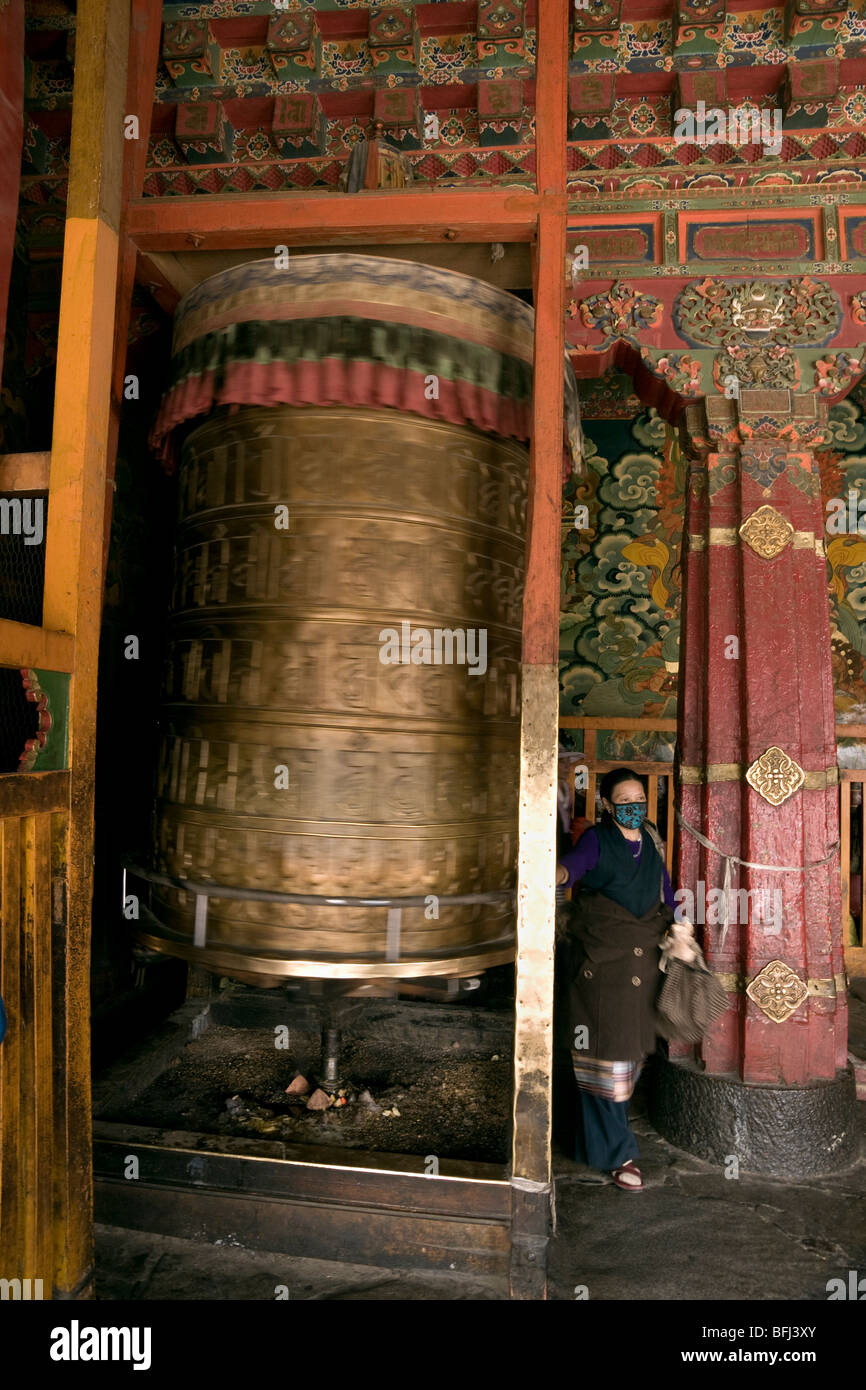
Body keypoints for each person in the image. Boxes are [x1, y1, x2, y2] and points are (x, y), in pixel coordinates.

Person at [555, 767, 697, 1191]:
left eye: (639, 800)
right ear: (607, 805)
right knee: (607, 1060)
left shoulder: (651, 839)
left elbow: (665, 890)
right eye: (625, 802)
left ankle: (593, 1147)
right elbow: (572, 869)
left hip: (644, 964)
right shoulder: (597, 839)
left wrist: (681, 924)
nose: (634, 808)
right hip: (603, 967)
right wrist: (552, 875)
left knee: (629, 1058)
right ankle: (620, 1156)